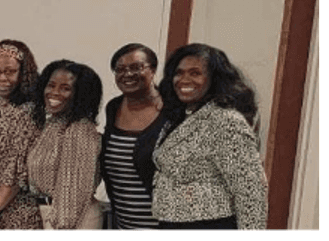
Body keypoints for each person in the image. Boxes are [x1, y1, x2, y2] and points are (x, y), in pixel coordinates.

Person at [153, 43, 267, 229]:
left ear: (214, 79)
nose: (184, 79)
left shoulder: (226, 120)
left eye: (195, 73)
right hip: (173, 223)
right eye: (179, 73)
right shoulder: (180, 117)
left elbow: (250, 192)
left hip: (209, 225)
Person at [0, 40, 42, 229]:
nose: (2, 78)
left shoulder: (28, 113)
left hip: (13, 212)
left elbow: (17, 172)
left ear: (23, 74)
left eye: (10, 71)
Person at [27, 59, 103, 229]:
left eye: (65, 88)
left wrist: (59, 226)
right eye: (51, 85)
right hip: (51, 214)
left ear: (81, 94)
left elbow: (72, 193)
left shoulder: (79, 129)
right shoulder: (54, 124)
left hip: (70, 221)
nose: (54, 92)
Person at [99, 43, 166, 229]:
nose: (127, 74)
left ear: (152, 70)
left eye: (136, 67)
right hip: (123, 222)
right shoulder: (113, 107)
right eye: (120, 69)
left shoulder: (172, 110)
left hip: (162, 225)